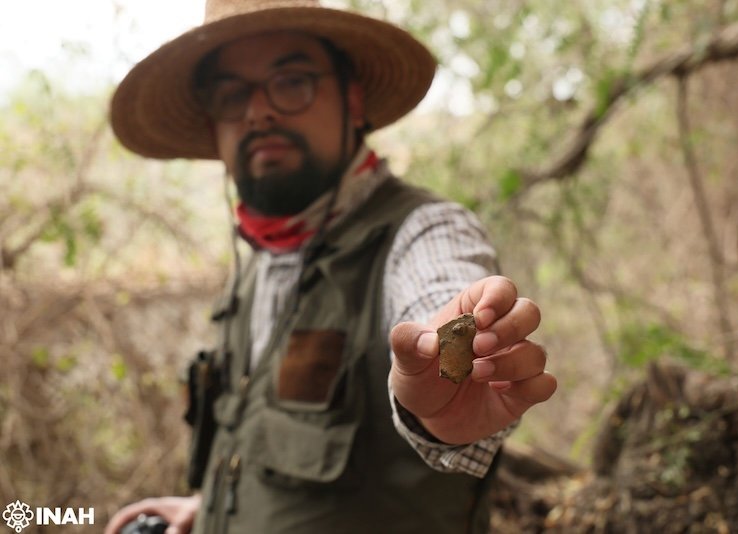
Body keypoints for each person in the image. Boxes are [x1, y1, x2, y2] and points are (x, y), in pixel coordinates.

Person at [105, 1, 557, 533]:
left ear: (353, 99)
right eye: (231, 95)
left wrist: (448, 370)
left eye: (291, 82)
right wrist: (205, 511)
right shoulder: (257, 266)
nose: (258, 112)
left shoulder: (424, 231)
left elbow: (441, 299)